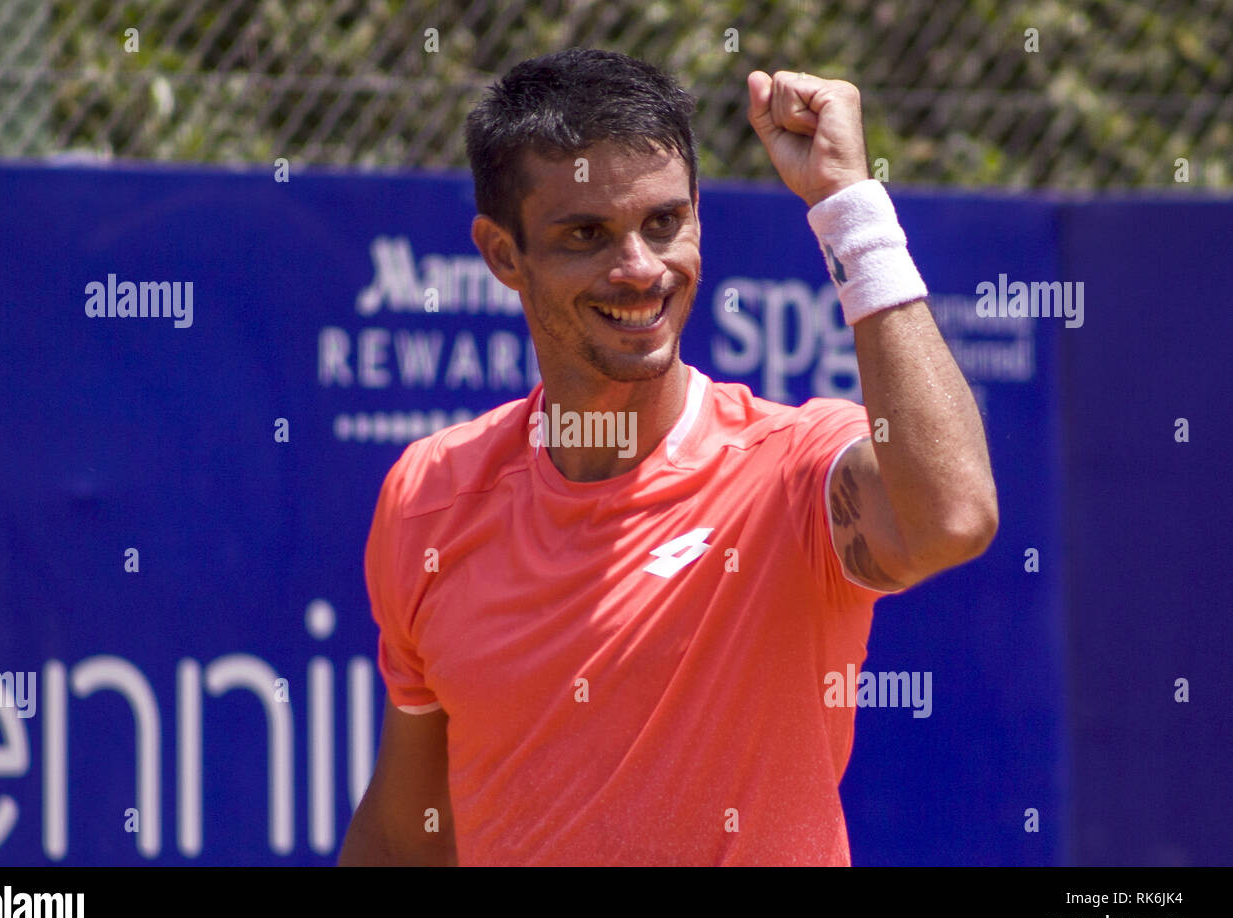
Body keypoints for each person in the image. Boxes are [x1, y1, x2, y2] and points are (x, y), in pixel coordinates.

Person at [338, 48, 997, 866]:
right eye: (587, 234)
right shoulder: (427, 496)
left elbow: (953, 517)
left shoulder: (788, 471)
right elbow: (406, 837)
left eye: (663, 223)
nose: (640, 270)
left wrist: (851, 207)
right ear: (503, 255)